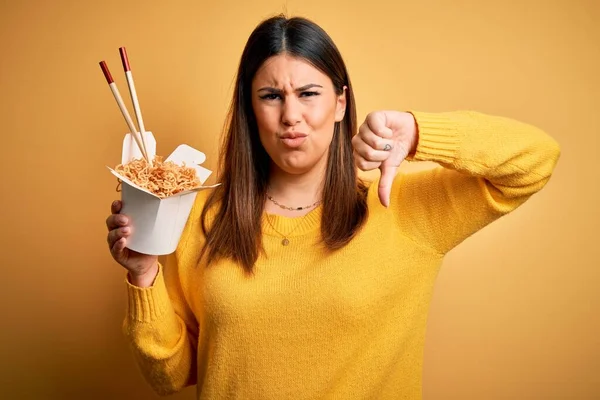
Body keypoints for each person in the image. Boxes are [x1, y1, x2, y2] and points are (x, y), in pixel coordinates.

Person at [105, 15, 560, 400]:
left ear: (340, 102)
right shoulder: (201, 217)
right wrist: (144, 274)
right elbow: (171, 376)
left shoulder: (401, 207)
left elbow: (536, 159)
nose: (290, 116)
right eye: (271, 96)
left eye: (308, 93)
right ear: (250, 108)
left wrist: (419, 133)